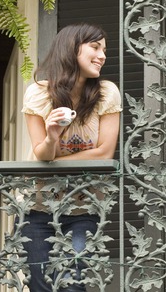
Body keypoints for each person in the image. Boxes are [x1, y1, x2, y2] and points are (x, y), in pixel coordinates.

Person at [21, 22, 122, 291]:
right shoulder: (38, 94)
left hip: (84, 210)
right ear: (71, 48)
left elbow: (104, 153)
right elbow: (42, 153)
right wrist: (52, 137)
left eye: (104, 49)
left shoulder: (106, 94)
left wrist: (50, 162)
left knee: (73, 284)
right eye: (95, 47)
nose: (102, 55)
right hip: (38, 209)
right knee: (40, 286)